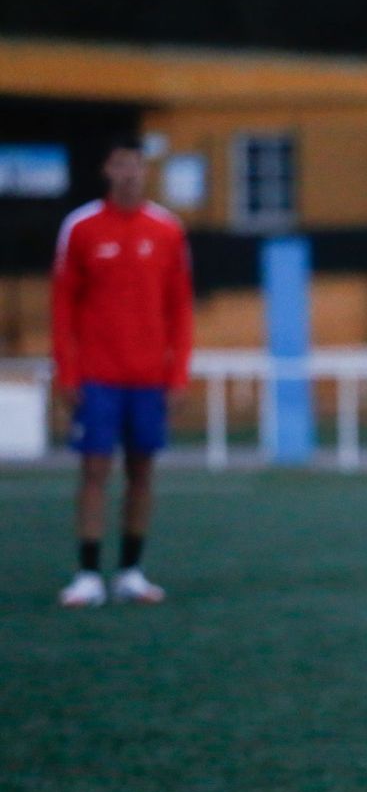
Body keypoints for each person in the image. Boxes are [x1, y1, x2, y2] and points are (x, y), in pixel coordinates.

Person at [52, 134, 194, 607]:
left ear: (146, 170)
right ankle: (88, 573)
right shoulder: (82, 227)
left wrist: (178, 375)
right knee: (94, 469)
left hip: (149, 377)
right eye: (121, 164)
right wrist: (66, 372)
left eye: (137, 164)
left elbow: (180, 310)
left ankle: (131, 571)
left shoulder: (168, 229)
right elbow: (62, 306)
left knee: (143, 472)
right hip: (98, 375)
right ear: (107, 170)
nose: (130, 172)